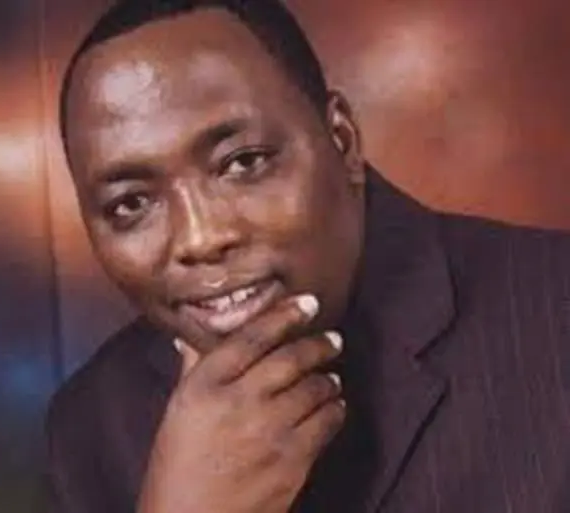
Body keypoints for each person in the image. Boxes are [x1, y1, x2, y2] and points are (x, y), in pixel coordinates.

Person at [46, 0, 570, 512]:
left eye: (243, 162)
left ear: (342, 140)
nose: (200, 238)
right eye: (131, 204)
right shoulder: (92, 428)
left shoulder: (553, 314)